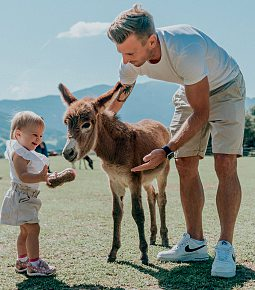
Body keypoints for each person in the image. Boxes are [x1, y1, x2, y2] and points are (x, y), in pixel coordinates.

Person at [107, 4, 245, 278]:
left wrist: (166, 149)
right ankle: (195, 243)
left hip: (226, 86)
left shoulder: (186, 48)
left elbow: (201, 113)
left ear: (152, 41)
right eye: (121, 53)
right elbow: (119, 97)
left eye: (130, 52)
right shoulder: (130, 59)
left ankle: (225, 246)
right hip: (190, 88)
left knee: (225, 163)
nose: (125, 59)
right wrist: (100, 124)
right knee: (184, 164)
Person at [0, 111, 56, 276]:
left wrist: (47, 176)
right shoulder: (19, 155)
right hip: (22, 196)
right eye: (34, 134)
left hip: (24, 196)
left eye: (40, 135)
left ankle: (22, 261)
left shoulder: (24, 152)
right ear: (18, 134)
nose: (38, 139)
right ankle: (34, 264)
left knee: (25, 231)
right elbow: (23, 175)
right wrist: (40, 177)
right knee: (33, 229)